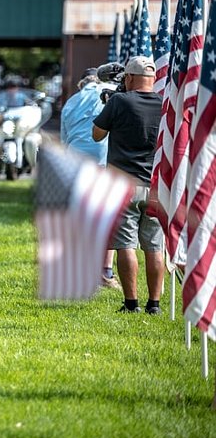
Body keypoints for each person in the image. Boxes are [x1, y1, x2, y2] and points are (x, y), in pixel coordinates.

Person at [92, 56, 164, 314]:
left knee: (126, 244)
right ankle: (154, 304)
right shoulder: (164, 103)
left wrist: (110, 108)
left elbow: (97, 134)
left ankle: (131, 303)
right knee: (154, 247)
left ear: (130, 78)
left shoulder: (120, 101)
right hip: (156, 185)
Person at [61, 68, 116, 289]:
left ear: (81, 84)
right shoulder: (110, 92)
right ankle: (106, 271)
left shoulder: (71, 103)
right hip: (104, 160)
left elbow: (65, 140)